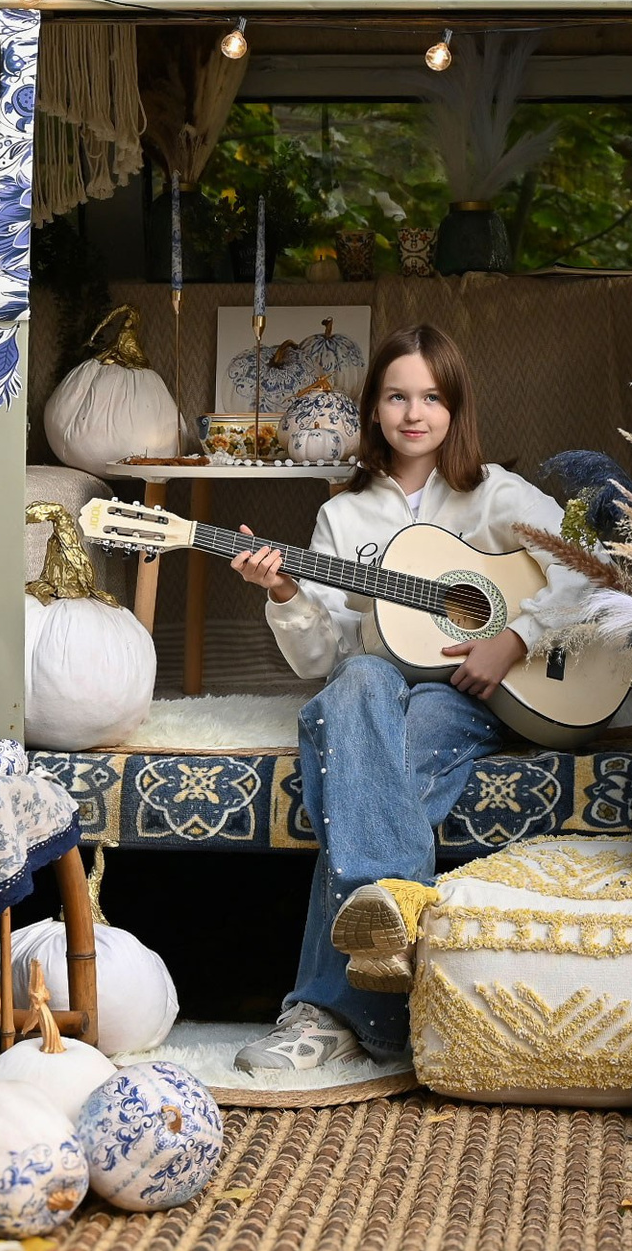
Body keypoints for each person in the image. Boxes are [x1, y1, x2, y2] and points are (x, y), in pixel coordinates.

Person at [226, 322, 583, 1072]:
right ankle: (385, 930)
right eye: (396, 396)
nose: (414, 413)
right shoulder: (342, 516)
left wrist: (515, 639)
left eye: (431, 397)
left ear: (456, 407)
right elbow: (321, 659)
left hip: (476, 691)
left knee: (398, 741)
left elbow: (591, 571)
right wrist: (285, 593)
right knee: (355, 683)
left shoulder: (496, 494)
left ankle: (324, 1008)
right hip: (376, 685)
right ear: (373, 407)